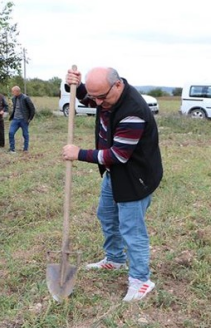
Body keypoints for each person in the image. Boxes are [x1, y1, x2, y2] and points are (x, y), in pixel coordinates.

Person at [62, 67, 163, 302]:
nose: (96, 103)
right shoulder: (107, 96)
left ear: (117, 85)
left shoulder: (133, 112)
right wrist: (72, 86)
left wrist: (79, 154)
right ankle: (115, 259)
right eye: (95, 96)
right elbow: (89, 96)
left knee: (132, 229)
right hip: (114, 175)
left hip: (135, 177)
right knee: (106, 215)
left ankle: (141, 280)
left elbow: (118, 155)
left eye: (101, 97)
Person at [8, 86, 36, 153]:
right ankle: (12, 149)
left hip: (24, 120)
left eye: (13, 91)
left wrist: (29, 119)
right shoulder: (13, 98)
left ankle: (25, 149)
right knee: (11, 133)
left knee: (25, 134)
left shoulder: (25, 98)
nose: (12, 93)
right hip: (15, 119)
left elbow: (32, 109)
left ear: (17, 91)